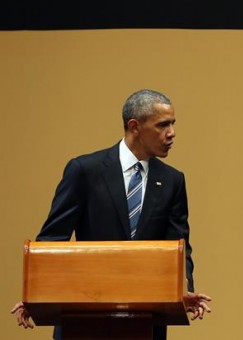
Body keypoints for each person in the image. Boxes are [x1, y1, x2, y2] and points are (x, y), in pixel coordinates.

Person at [10, 89, 212, 339]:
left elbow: (180, 246)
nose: (171, 133)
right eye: (162, 125)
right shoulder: (85, 171)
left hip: (146, 322)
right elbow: (53, 239)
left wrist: (184, 288)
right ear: (135, 126)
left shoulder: (172, 181)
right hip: (84, 317)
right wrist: (35, 296)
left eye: (172, 123)